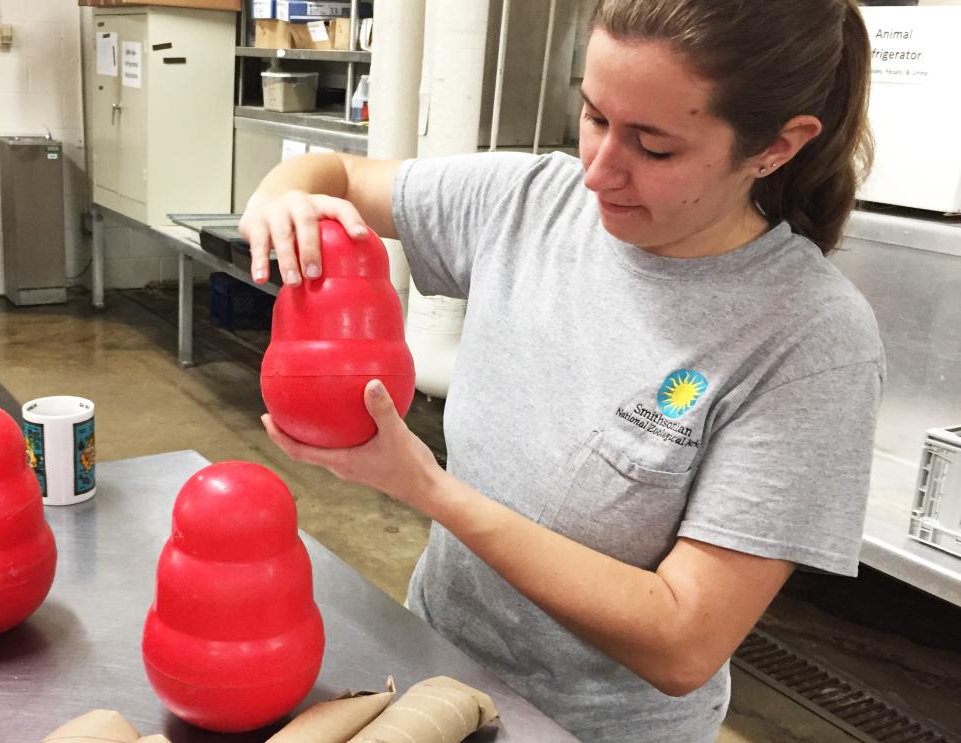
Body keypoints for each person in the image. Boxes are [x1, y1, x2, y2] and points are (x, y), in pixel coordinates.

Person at [238, 0, 885, 740]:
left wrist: (427, 488)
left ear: (776, 146)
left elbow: (684, 642)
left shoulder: (807, 336)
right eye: (595, 116)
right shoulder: (528, 203)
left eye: (654, 146)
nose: (598, 171)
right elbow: (341, 174)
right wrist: (280, 195)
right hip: (435, 667)